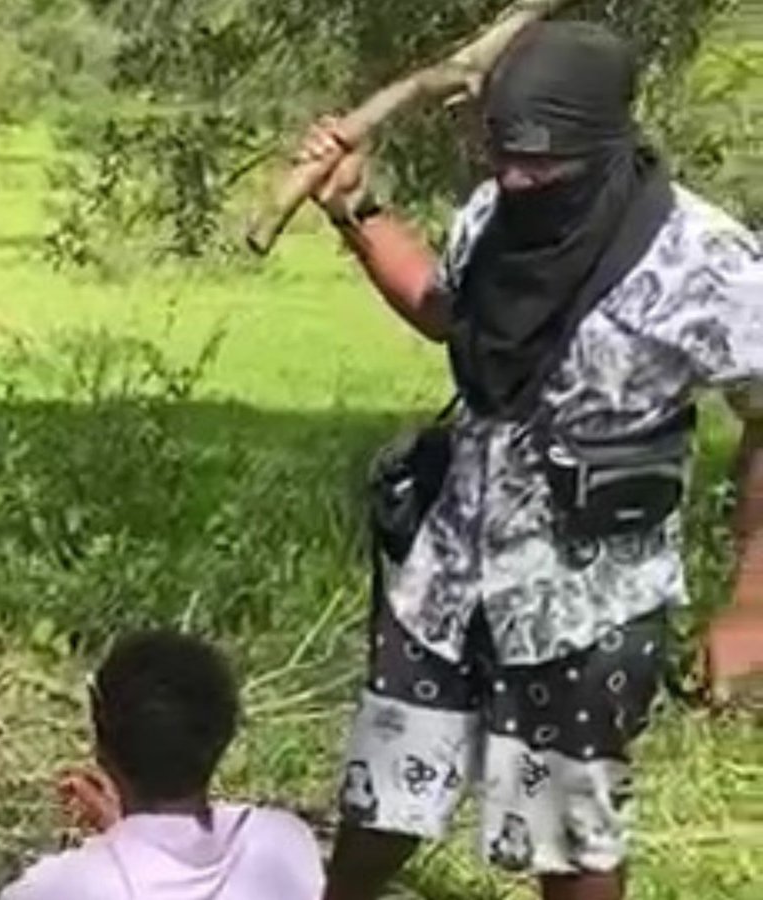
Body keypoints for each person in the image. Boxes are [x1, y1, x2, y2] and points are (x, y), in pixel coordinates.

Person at [296, 19, 763, 900]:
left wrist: (752, 602)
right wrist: (355, 207)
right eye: (502, 157)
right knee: (384, 795)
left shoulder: (707, 262)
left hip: (585, 604)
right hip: (446, 581)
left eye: (540, 165)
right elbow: (446, 311)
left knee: (567, 834)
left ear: (602, 141)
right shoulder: (495, 214)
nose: (515, 179)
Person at [0, 629, 325, 900]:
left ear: (101, 739)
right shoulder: (284, 844)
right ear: (227, 732)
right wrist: (121, 830)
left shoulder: (66, 887)